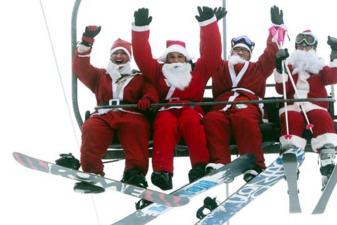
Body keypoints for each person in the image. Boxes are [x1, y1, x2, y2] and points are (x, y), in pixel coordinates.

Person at [131, 7, 225, 190]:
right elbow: (142, 57)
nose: (175, 60)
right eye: (171, 57)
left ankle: (199, 166)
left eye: (179, 57)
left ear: (186, 58)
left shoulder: (199, 71)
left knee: (192, 123)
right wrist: (141, 29)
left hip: (190, 109)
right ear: (165, 60)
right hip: (167, 109)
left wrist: (209, 25)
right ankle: (162, 171)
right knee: (164, 126)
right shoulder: (158, 72)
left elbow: (212, 53)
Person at [71, 25, 159, 193]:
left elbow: (151, 91)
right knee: (91, 128)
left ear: (129, 57)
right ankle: (92, 172)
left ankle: (134, 173)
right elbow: (80, 69)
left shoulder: (138, 77)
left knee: (136, 129)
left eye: (123, 53)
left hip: (131, 113)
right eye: (115, 53)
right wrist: (86, 41)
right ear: (111, 56)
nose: (119, 56)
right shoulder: (100, 76)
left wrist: (148, 99)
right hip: (104, 114)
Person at [203, 5, 285, 182]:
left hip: (247, 103)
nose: (239, 52)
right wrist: (211, 26)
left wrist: (277, 27)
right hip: (222, 105)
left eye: (244, 51)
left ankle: (254, 164)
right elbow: (209, 51)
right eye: (237, 50)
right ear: (231, 52)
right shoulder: (219, 66)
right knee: (212, 119)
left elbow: (271, 53)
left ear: (249, 55)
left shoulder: (258, 68)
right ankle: (219, 163)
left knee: (245, 120)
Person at [274, 29, 337, 189]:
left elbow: (333, 77)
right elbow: (280, 88)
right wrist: (280, 66)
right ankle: (291, 154)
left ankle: (326, 156)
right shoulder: (289, 65)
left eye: (309, 41)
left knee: (322, 117)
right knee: (291, 119)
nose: (304, 45)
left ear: (314, 46)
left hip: (315, 105)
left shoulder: (319, 66)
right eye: (301, 41)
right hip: (292, 105)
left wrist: (336, 53)